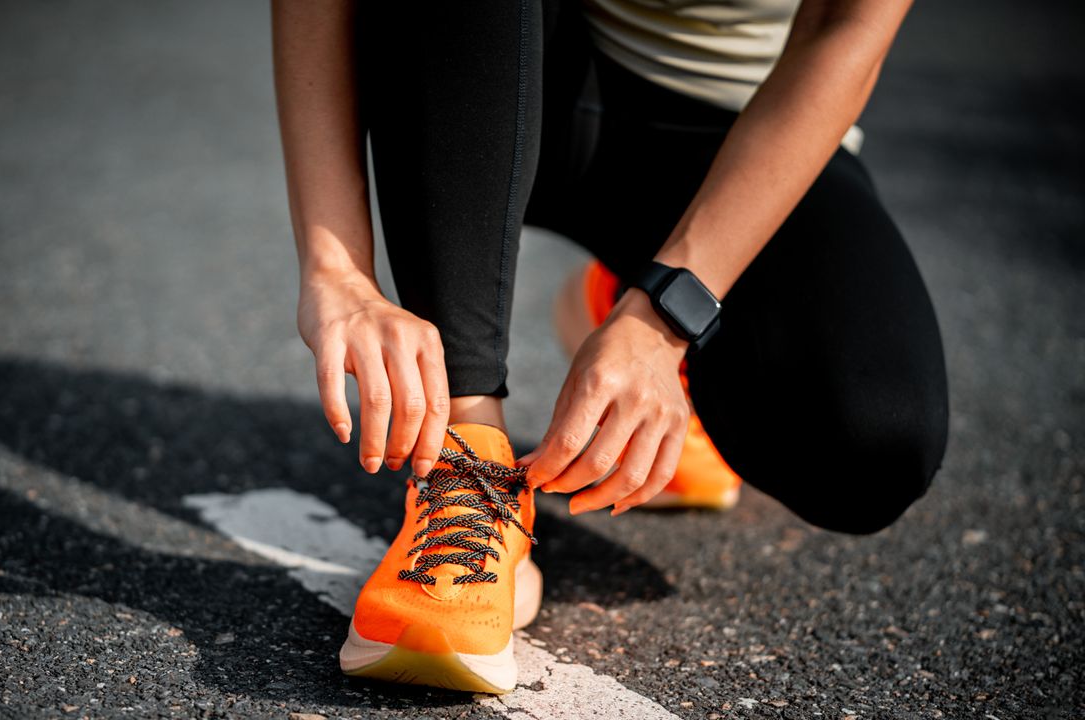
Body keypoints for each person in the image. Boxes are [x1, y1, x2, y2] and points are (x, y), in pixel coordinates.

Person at [272, 0, 948, 694]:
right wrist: (337, 270)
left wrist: (663, 319)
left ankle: (626, 309)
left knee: (870, 443)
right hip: (501, 71)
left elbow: (847, 28)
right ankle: (472, 469)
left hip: (740, 134)